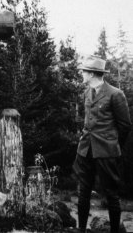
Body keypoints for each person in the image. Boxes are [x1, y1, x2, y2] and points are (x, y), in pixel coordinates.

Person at [73, 55, 132, 233]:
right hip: (86, 150)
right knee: (83, 191)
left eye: (84, 71)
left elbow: (125, 126)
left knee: (111, 194)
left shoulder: (115, 94)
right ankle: (81, 229)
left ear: (91, 74)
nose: (82, 74)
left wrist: (112, 144)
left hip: (106, 151)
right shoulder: (87, 92)